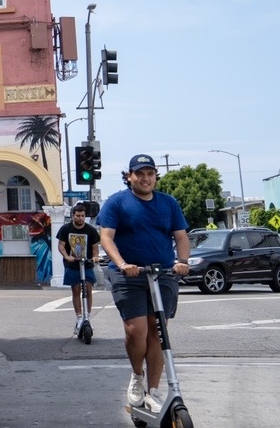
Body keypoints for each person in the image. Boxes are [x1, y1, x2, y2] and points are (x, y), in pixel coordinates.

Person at [97, 154, 190, 415]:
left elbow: (181, 236)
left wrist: (182, 260)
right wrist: (123, 263)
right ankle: (137, 376)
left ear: (155, 176)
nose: (145, 178)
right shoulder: (117, 202)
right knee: (135, 330)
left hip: (163, 274)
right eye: (140, 173)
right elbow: (106, 237)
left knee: (158, 330)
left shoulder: (168, 203)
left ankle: (154, 390)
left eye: (150, 173)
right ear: (129, 176)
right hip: (130, 275)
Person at [56, 203, 100, 332]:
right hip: (72, 264)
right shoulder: (65, 229)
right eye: (78, 216)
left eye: (83, 216)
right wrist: (66, 256)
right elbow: (61, 246)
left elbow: (95, 248)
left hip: (87, 264)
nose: (80, 218)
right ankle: (79, 317)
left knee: (88, 288)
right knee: (76, 290)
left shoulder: (91, 230)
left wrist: (96, 257)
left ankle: (87, 316)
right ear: (73, 216)